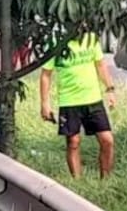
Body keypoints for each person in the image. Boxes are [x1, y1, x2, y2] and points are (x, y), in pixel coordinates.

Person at [40, 32, 118, 178]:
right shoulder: (56, 42)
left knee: (107, 140)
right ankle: (77, 181)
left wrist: (110, 89)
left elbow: (101, 64)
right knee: (73, 142)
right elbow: (46, 74)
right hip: (69, 101)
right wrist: (45, 103)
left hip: (93, 99)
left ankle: (105, 180)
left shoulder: (91, 38)